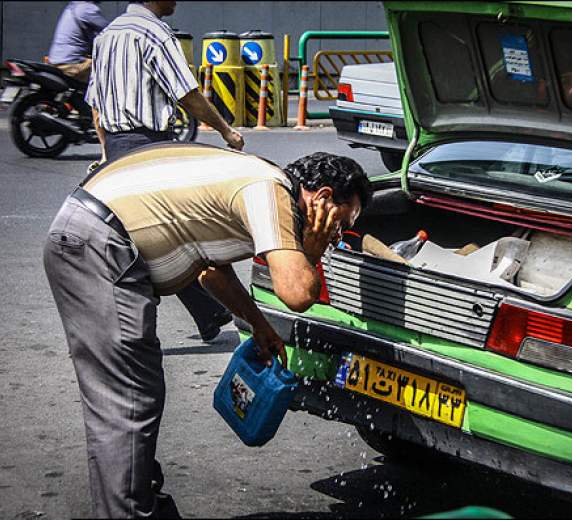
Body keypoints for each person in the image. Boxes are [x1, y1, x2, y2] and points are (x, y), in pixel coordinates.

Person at [43, 146, 372, 517]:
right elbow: (297, 293)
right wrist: (311, 250)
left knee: (132, 396)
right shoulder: (270, 190)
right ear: (323, 197)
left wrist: (258, 324)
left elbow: (211, 272)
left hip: (91, 235)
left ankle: (139, 500)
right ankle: (128, 510)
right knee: (129, 399)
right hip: (100, 242)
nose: (337, 236)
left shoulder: (262, 180)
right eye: (340, 223)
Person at [86, 0, 246, 342]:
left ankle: (207, 312)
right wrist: (225, 130)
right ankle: (137, 323)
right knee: (171, 234)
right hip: (149, 148)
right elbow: (187, 94)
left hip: (117, 149)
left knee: (147, 237)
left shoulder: (106, 36)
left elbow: (97, 106)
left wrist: (105, 154)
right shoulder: (155, 33)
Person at [47, 1, 109, 83]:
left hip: (56, 62)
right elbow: (109, 30)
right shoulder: (86, 9)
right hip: (71, 65)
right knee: (107, 73)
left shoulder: (72, 7)